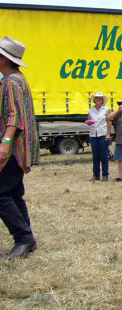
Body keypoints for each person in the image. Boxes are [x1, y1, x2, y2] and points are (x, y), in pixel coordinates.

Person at [0, 36, 39, 260]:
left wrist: (5, 142)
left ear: (4, 59)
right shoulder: (15, 79)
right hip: (17, 146)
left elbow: (14, 114)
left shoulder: (12, 82)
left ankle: (23, 238)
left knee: (2, 194)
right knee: (14, 192)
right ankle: (27, 240)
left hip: (14, 147)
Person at [86, 91, 110, 181]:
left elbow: (109, 122)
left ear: (102, 100)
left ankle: (105, 174)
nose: (98, 100)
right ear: (94, 100)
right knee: (95, 155)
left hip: (103, 133)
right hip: (93, 134)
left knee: (103, 155)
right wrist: (89, 122)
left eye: (100, 98)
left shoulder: (106, 109)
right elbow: (89, 121)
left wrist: (108, 133)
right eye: (96, 98)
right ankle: (96, 175)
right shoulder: (91, 110)